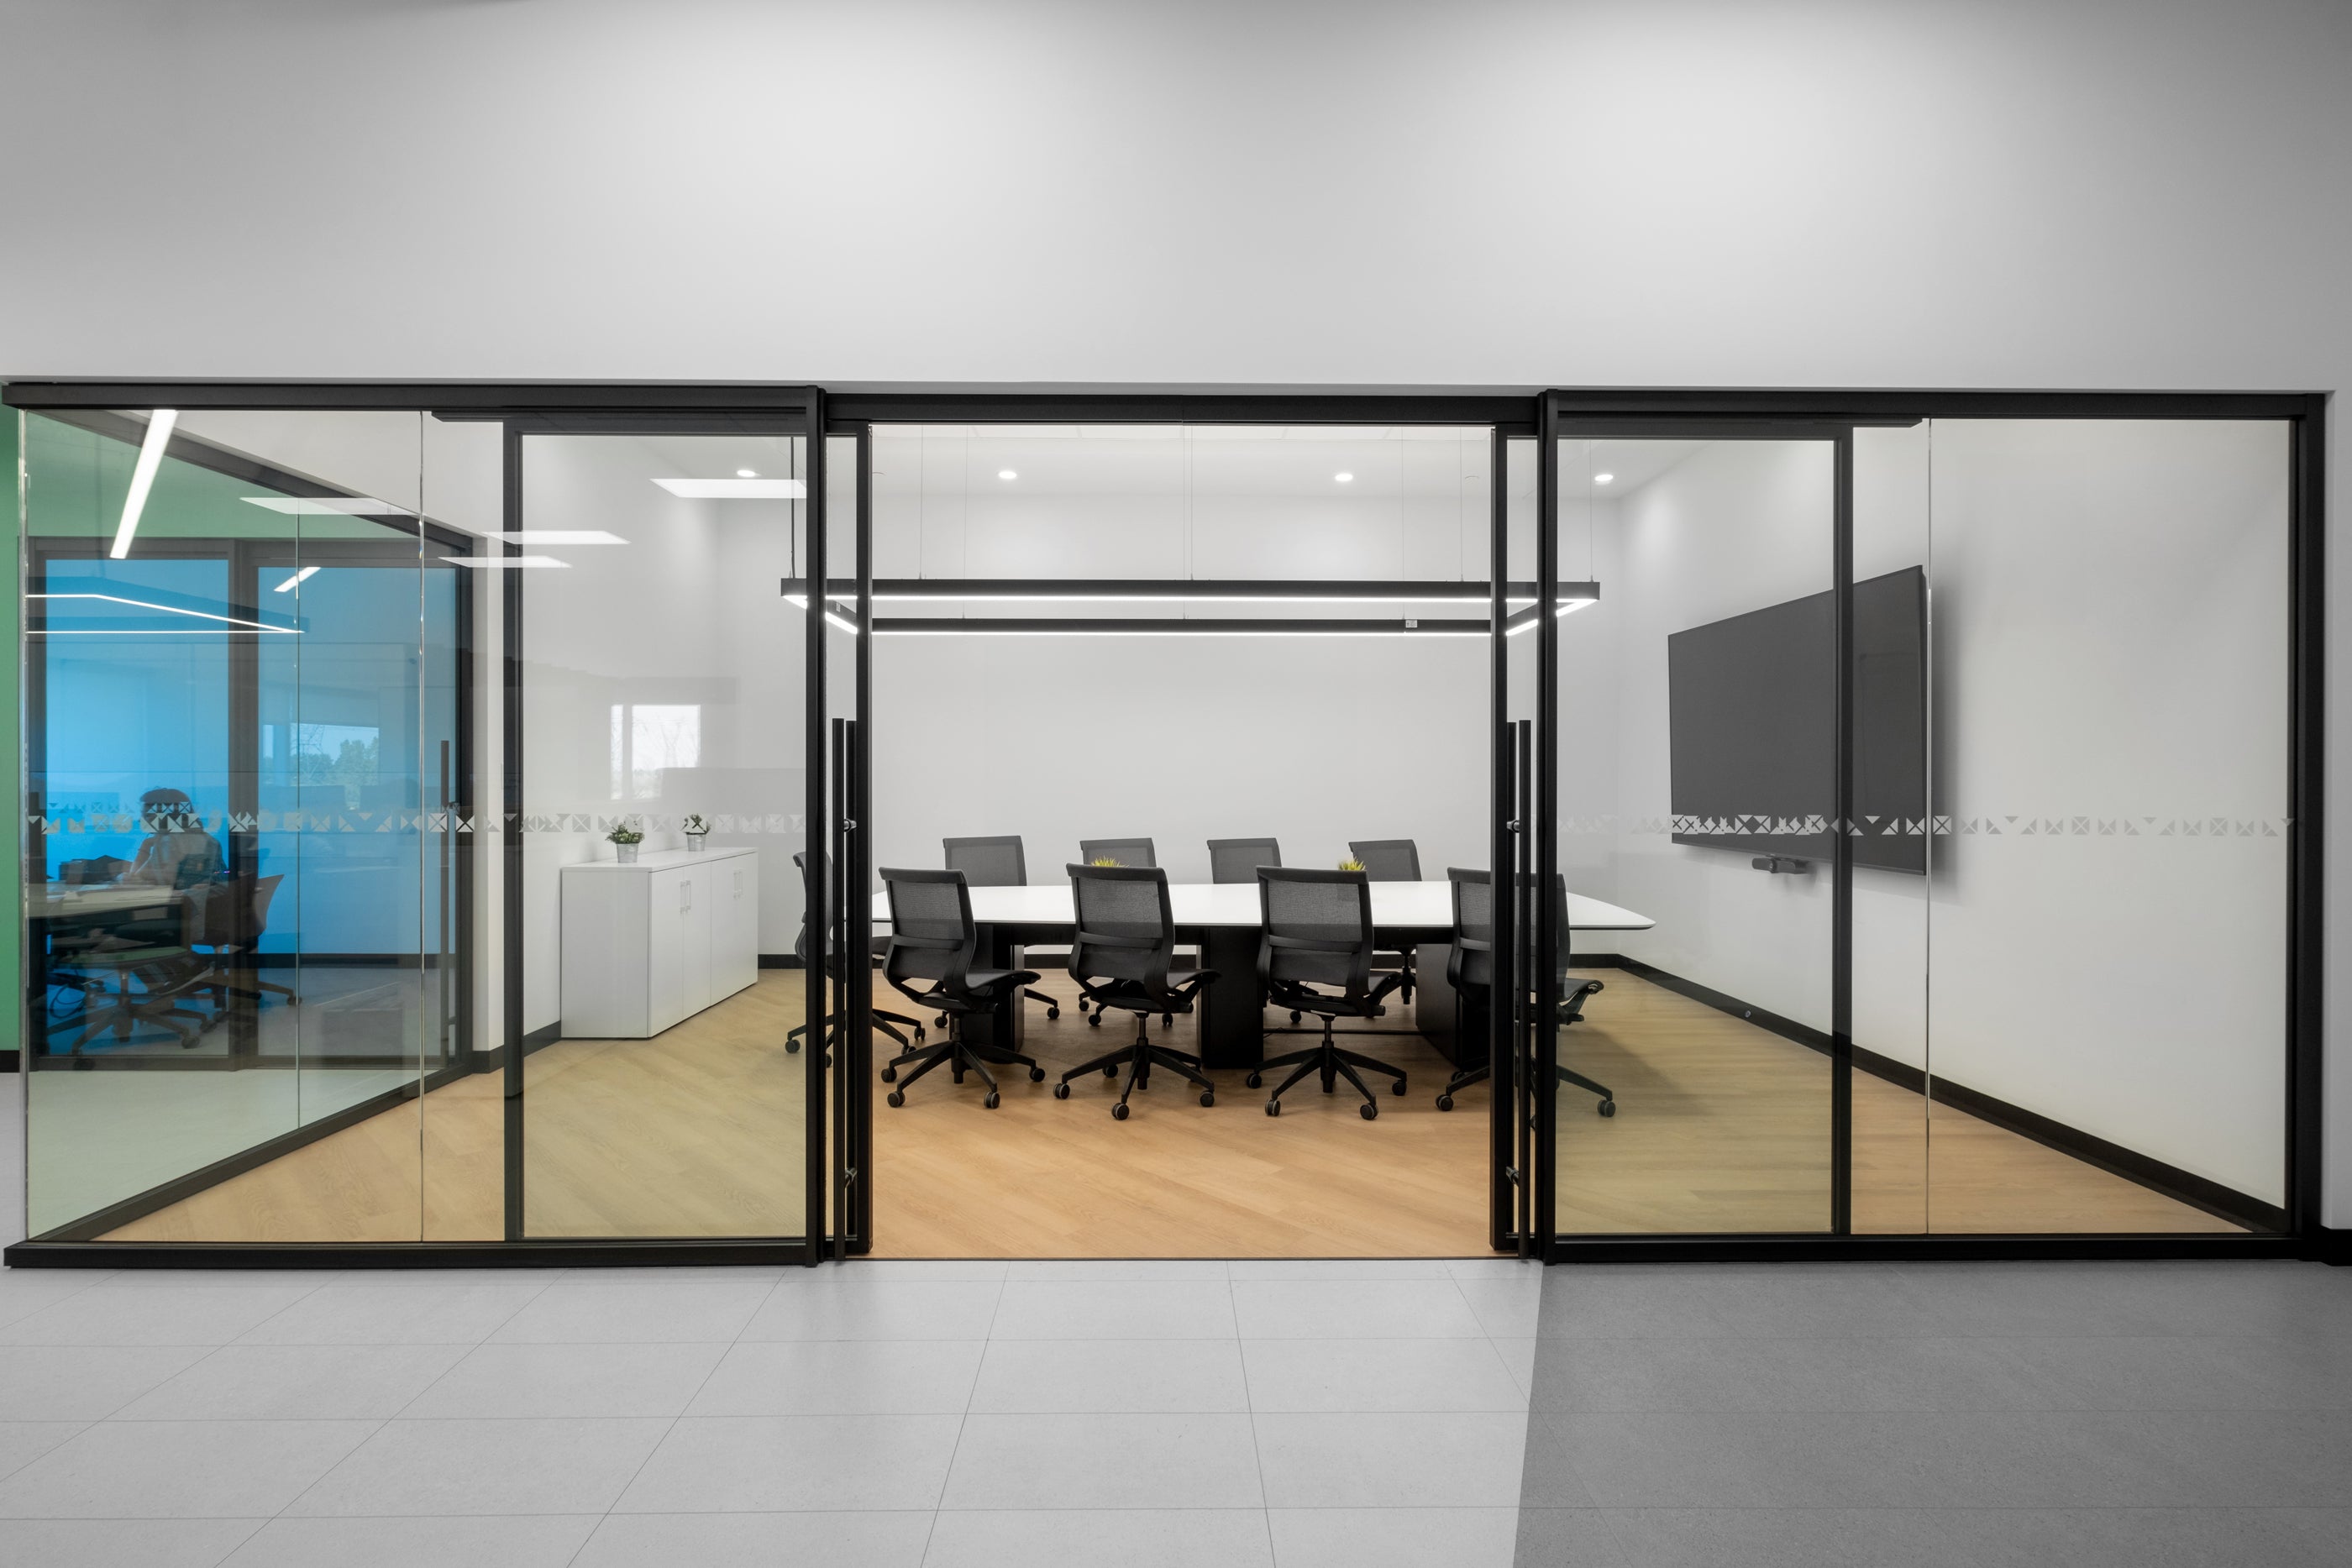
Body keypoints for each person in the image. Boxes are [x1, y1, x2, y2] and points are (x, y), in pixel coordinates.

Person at [123, 788, 226, 888]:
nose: (140, 820)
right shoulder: (206, 839)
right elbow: (136, 875)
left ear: (165, 815)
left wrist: (139, 875)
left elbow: (167, 876)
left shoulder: (170, 840)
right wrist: (146, 844)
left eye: (146, 815)